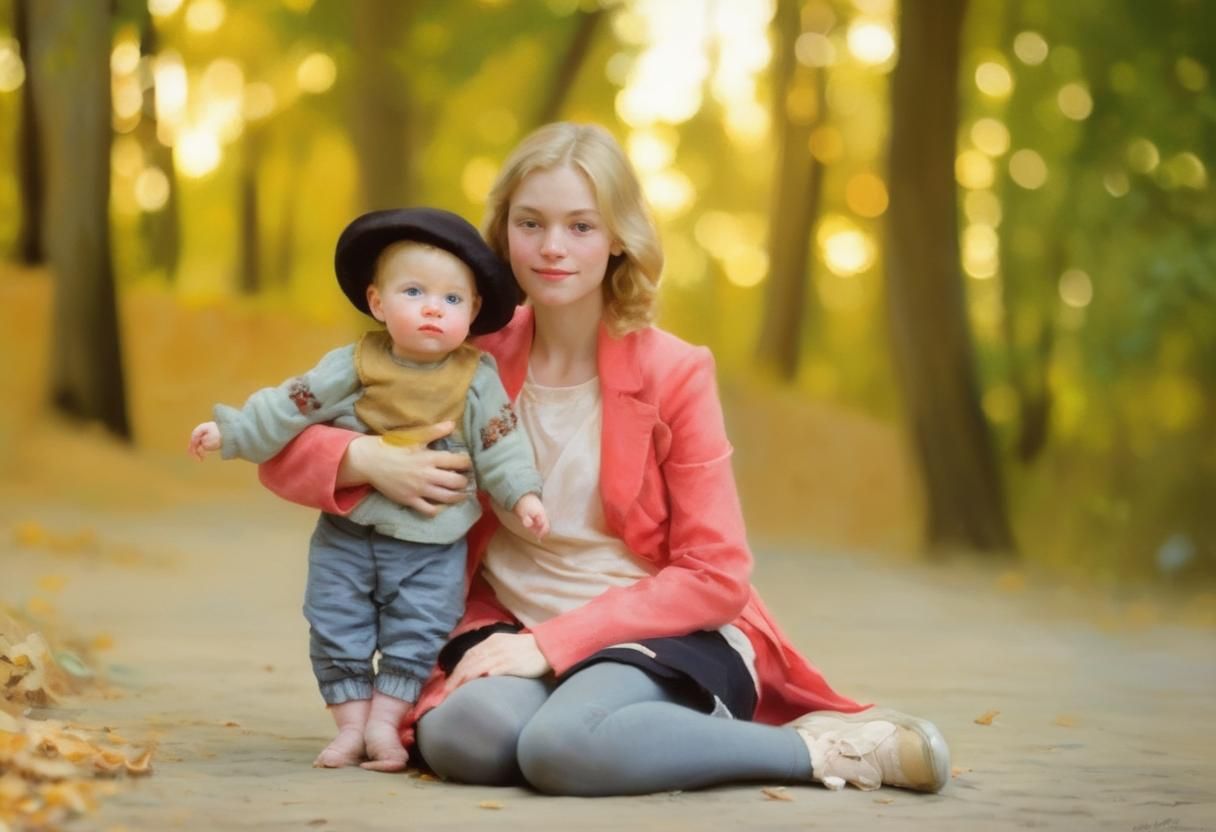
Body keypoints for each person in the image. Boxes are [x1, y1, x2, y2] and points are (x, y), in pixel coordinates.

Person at [258, 122, 951, 794]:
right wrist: (366, 461)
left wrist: (553, 644)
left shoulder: (674, 372)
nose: (553, 247)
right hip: (506, 623)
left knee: (565, 747)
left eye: (580, 226)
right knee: (461, 739)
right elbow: (280, 450)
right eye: (530, 223)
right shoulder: (466, 356)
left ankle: (826, 750)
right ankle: (616, 731)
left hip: (660, 629)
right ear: (502, 233)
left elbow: (717, 574)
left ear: (618, 236)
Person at [188, 207, 549, 772]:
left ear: (474, 312)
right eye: (414, 292)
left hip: (433, 544)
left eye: (453, 300)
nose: (434, 307)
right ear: (378, 302)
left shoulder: (475, 378)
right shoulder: (354, 364)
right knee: (335, 622)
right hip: (348, 531)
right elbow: (292, 403)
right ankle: (350, 726)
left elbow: (501, 443)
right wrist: (234, 430)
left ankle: (385, 725)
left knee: (418, 631)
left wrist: (522, 495)